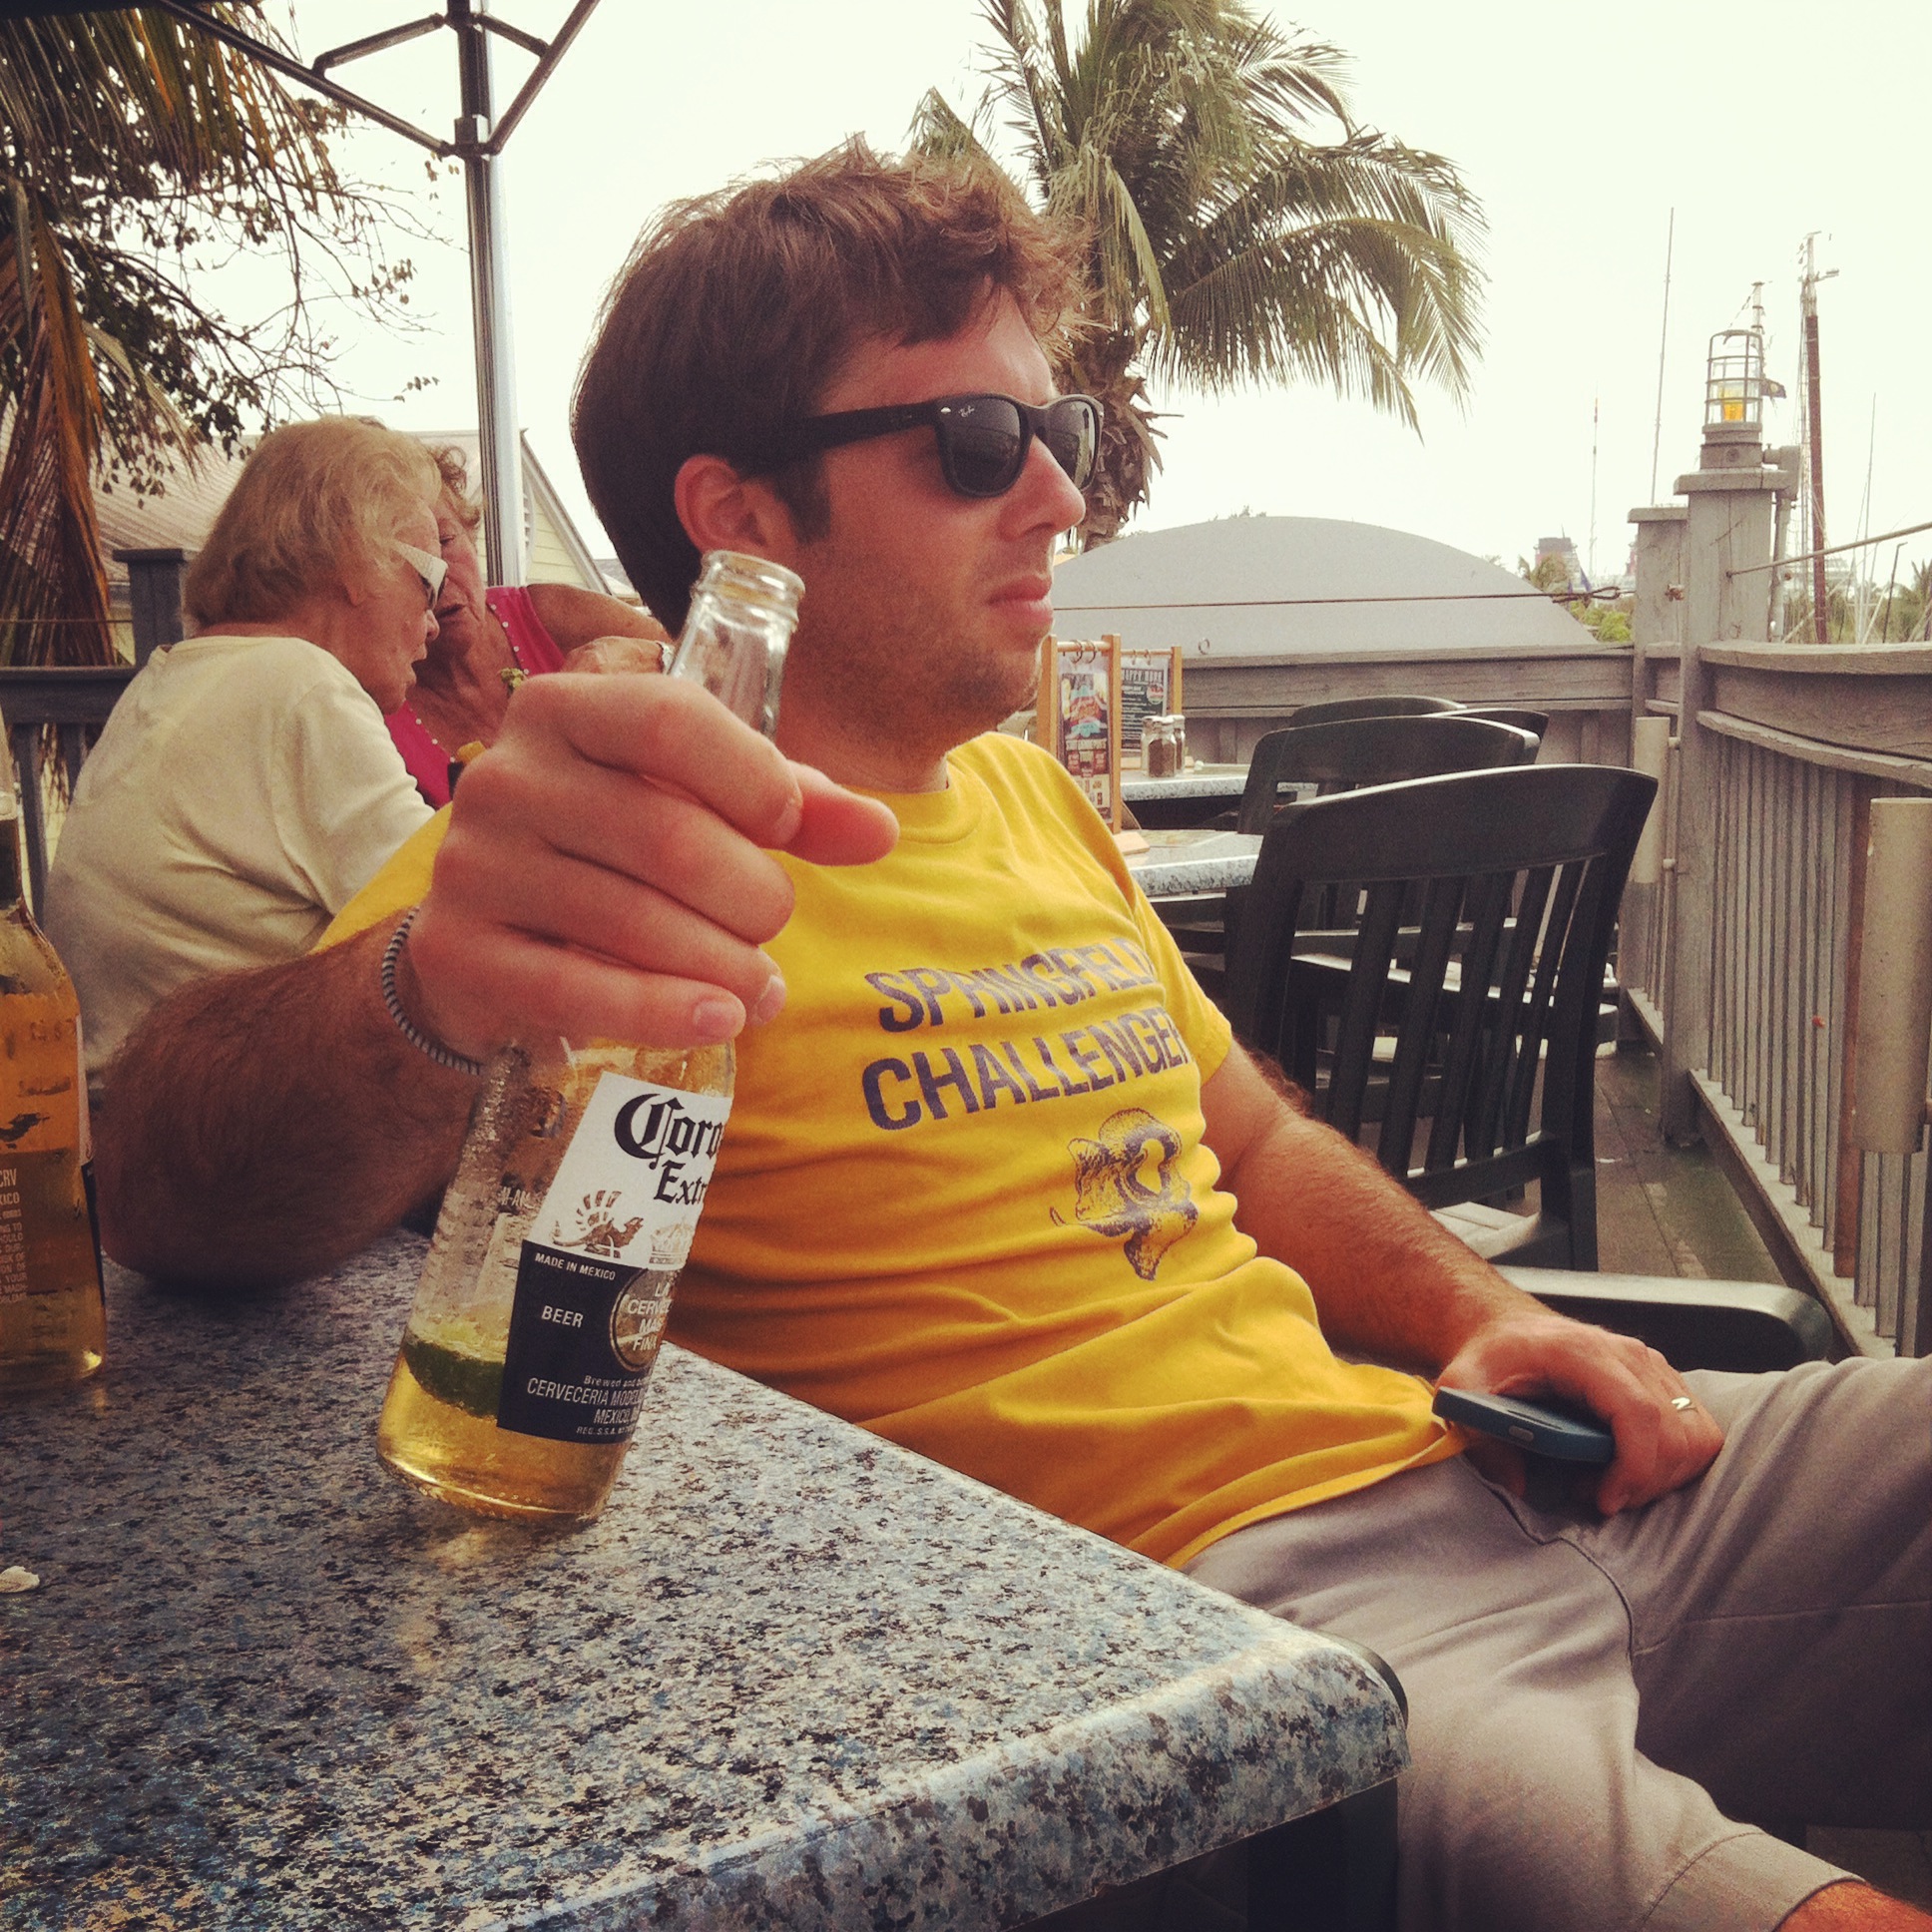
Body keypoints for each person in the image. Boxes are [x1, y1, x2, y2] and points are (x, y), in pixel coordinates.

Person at [91, 148, 1927, 1932]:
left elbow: (1260, 1142)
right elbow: (163, 1184)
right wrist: (427, 989)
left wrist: (1478, 1311)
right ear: (740, 517)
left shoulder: (1036, 800)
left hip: (1501, 1457)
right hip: (1239, 1644)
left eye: (1060, 433)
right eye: (978, 441)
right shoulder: (599, 861)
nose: (1059, 495)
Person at [45, 416, 442, 1079]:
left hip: (122, 1111)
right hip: (221, 1128)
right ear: (357, 557)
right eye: (430, 582)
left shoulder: (177, 676)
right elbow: (460, 928)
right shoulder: (300, 685)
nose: (433, 621)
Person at [384, 447, 671, 805]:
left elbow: (714, 660)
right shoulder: (378, 704)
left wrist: (654, 657)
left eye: (444, 541)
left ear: (470, 532)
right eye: (404, 561)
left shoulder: (549, 614)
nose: (436, 579)